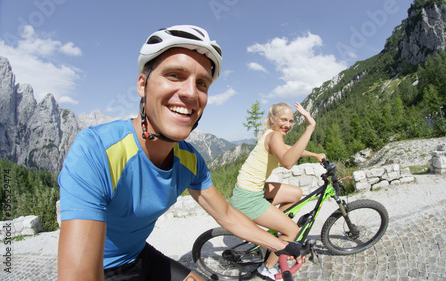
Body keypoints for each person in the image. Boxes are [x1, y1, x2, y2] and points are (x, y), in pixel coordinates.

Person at [57, 25, 302, 281]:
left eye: (202, 83)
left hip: (139, 255)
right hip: (103, 268)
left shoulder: (190, 160)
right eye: (174, 75)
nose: (190, 93)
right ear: (143, 85)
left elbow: (227, 215)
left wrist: (281, 245)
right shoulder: (96, 151)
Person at [231, 102, 326, 280]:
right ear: (273, 119)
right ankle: (267, 267)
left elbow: (290, 150)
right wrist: (309, 128)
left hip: (252, 188)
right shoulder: (274, 135)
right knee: (292, 230)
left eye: (291, 121)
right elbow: (288, 162)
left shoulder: (273, 135)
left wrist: (314, 155)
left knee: (295, 193)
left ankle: (274, 232)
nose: (288, 125)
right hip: (247, 197)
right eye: (284, 119)